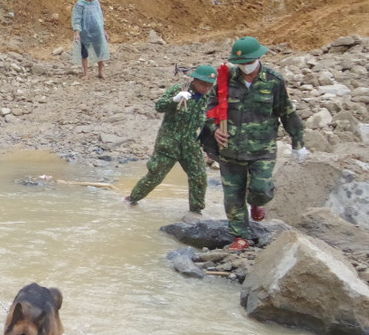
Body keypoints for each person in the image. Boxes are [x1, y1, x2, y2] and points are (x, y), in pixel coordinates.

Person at [201, 37, 308, 252]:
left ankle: (257, 202)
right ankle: (241, 237)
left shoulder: (273, 80)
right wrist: (214, 131)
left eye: (248, 62)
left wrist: (298, 142)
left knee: (260, 189)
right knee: (233, 197)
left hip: (262, 149)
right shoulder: (225, 78)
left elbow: (286, 112)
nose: (244, 67)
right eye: (240, 63)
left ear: (259, 58)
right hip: (230, 149)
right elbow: (210, 107)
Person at [124, 65, 216, 214]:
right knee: (155, 176)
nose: (206, 88)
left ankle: (196, 211)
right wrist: (175, 99)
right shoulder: (180, 90)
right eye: (203, 84)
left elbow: (209, 119)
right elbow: (159, 106)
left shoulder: (209, 97)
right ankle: (131, 200)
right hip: (169, 143)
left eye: (210, 85)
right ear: (195, 80)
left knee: (199, 177)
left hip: (190, 144)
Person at [71, 0, 110, 80]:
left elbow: (100, 17)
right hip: (85, 32)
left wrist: (103, 30)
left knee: (100, 51)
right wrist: (77, 32)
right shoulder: (80, 4)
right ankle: (86, 73)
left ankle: (100, 72)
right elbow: (77, 19)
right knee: (84, 53)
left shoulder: (96, 3)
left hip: (97, 31)